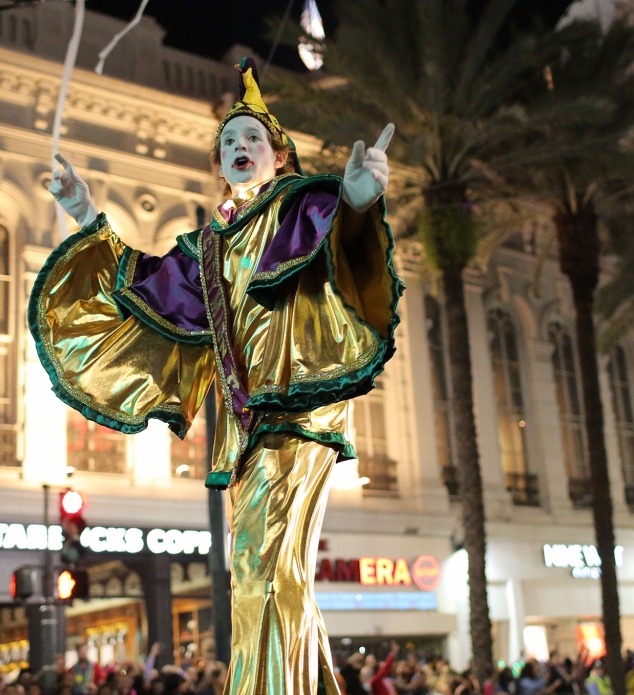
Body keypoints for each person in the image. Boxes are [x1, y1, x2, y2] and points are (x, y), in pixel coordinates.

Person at [36, 57, 400, 695]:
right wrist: (87, 218)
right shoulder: (208, 247)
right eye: (228, 141)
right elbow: (141, 286)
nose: (239, 147)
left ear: (278, 155)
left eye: (252, 139)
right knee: (270, 572)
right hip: (244, 429)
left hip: (299, 415)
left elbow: (345, 231)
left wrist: (360, 200)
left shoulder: (299, 205)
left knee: (262, 567)